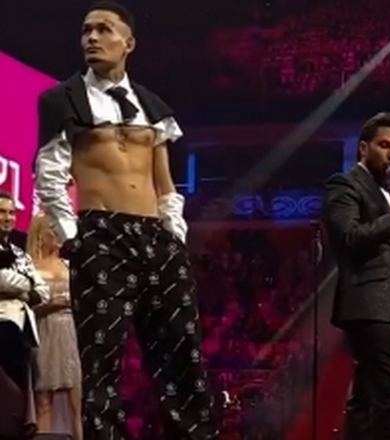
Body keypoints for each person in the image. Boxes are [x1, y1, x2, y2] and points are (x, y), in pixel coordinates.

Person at [33, 2, 219, 439]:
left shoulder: (153, 107)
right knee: (101, 361)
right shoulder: (61, 99)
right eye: (86, 30)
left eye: (103, 30)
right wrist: (75, 237)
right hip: (100, 233)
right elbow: (50, 173)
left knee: (182, 352)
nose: (91, 38)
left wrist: (174, 235)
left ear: (128, 42)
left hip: (156, 236)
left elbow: (165, 182)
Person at [322, 112, 390, 440]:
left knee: (367, 394)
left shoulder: (388, 192)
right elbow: (349, 237)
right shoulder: (344, 185)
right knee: (388, 388)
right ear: (363, 148)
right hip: (367, 302)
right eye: (384, 146)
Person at [27, 214, 83, 440]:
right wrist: (51, 305)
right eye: (53, 229)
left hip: (70, 333)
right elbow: (28, 307)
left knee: (77, 404)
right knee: (43, 402)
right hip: (44, 331)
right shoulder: (30, 267)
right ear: (41, 234)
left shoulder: (69, 265)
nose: (59, 234)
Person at [0, 191, 49, 439]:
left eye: (11, 212)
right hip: (2, 323)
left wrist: (22, 287)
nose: (8, 217)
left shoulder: (20, 254)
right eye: (1, 212)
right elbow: (3, 280)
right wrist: (27, 284)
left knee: (19, 394)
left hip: (22, 330)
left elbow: (44, 291)